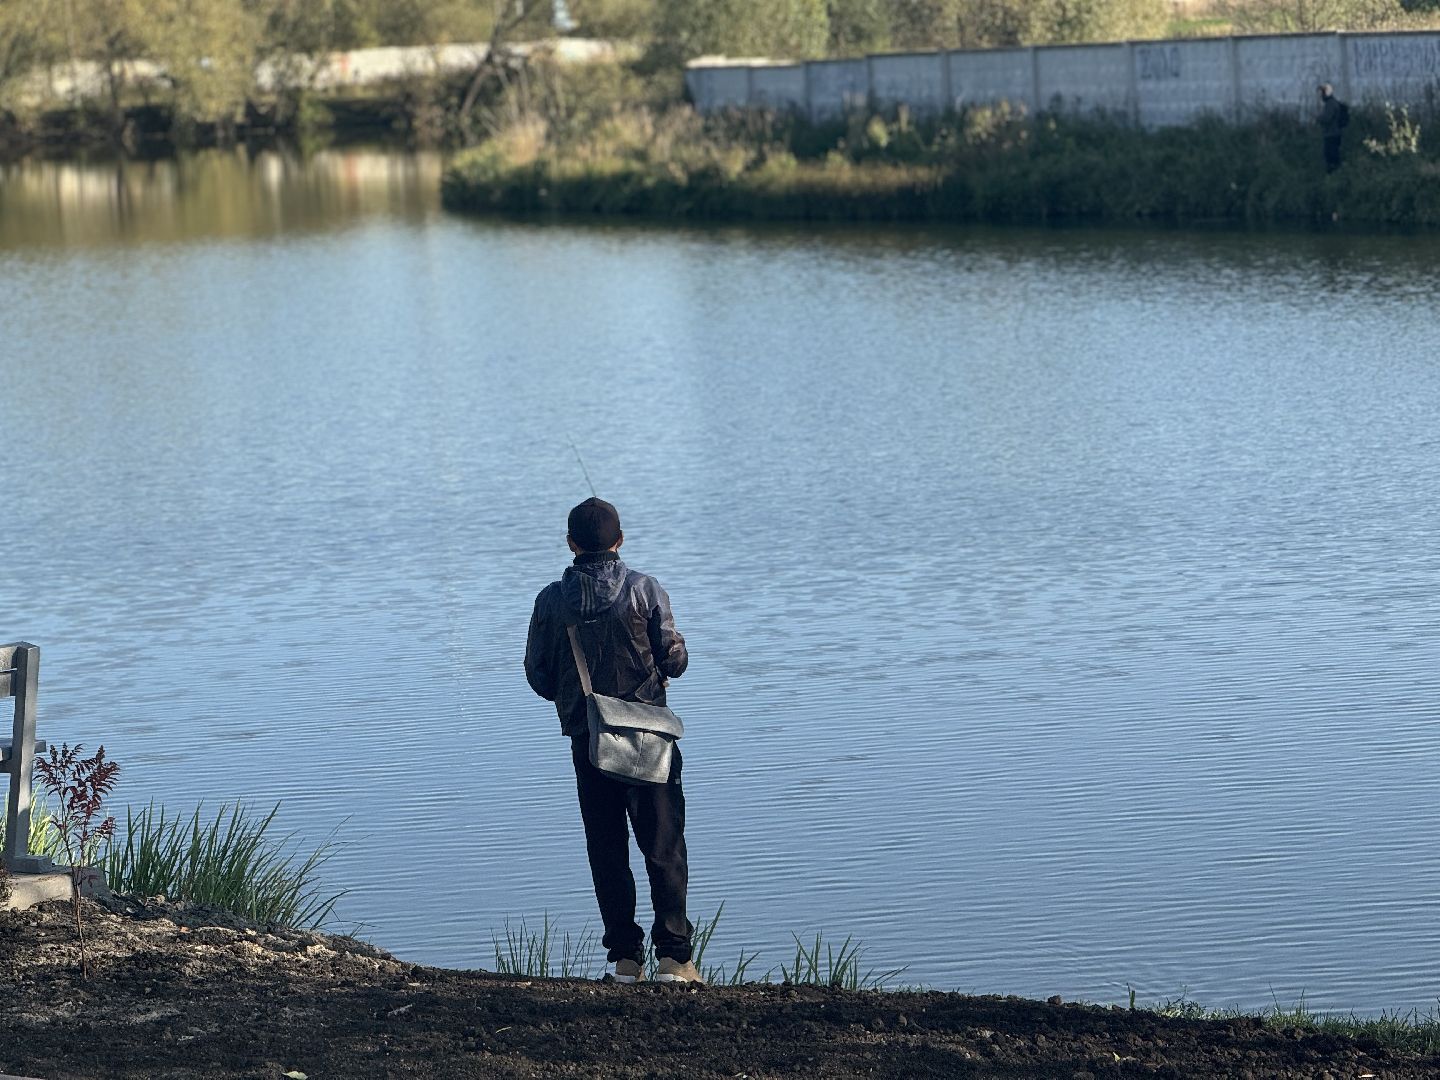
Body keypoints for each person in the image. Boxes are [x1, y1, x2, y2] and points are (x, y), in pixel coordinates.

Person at [524, 497, 701, 984]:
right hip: (650, 739)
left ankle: (626, 961)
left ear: (571, 544)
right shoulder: (645, 589)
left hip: (590, 740)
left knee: (607, 850)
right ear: (620, 540)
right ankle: (674, 960)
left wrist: (581, 702)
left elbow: (538, 675)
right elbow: (675, 661)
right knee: (664, 848)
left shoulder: (550, 600)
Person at [1317, 83, 1347, 174]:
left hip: (1331, 134)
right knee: (1333, 155)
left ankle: (1334, 174)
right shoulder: (1333, 103)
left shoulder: (1330, 104)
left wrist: (1318, 118)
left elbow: (1327, 118)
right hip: (1334, 133)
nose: (1321, 95)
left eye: (1322, 93)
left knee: (1331, 156)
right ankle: (1336, 173)